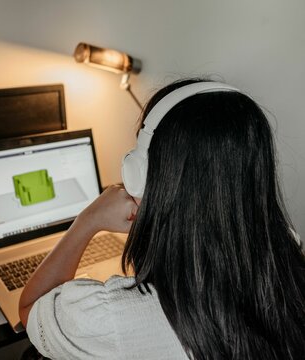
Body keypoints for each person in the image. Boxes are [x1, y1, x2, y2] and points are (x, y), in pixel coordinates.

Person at [18, 79, 305, 359]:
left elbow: (30, 308)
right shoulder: (290, 261)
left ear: (139, 173)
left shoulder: (114, 319)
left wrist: (87, 221)